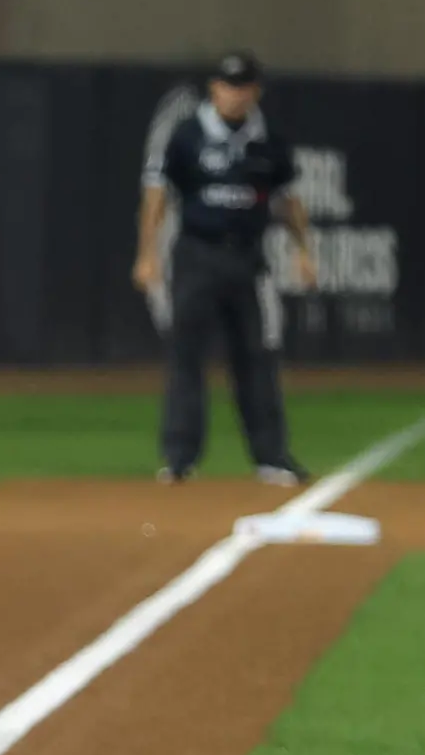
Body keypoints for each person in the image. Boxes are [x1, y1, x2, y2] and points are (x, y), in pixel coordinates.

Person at [134, 51, 317, 485]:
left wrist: (303, 250)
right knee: (186, 356)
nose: (236, 95)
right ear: (214, 89)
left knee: (256, 356)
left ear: (256, 91)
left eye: (244, 86)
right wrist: (147, 253)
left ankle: (271, 456)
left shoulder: (268, 140)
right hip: (197, 254)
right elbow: (158, 195)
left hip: (248, 258)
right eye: (228, 86)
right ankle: (180, 458)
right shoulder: (187, 135)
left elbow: (288, 200)